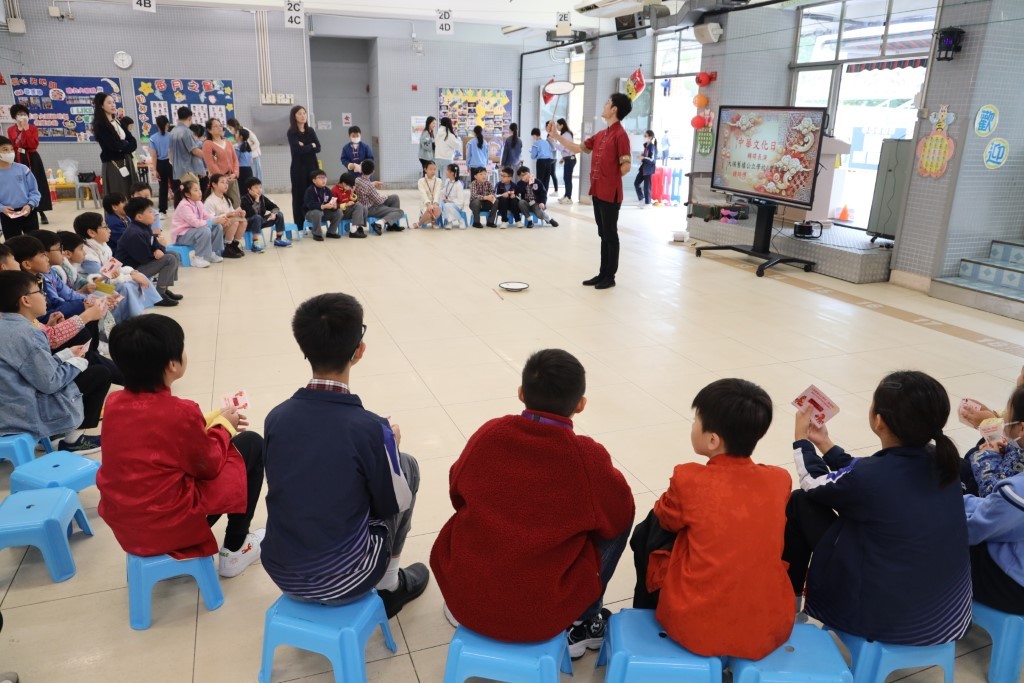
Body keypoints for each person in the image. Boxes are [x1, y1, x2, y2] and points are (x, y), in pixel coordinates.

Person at [431, 349, 633, 654]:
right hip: (543, 616)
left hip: (462, 598)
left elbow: (455, 490)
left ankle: (477, 601)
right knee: (616, 518)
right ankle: (582, 621)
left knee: (472, 511)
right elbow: (619, 514)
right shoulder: (587, 458)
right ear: (581, 404)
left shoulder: (491, 433)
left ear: (521, 393)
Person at [262, 292, 429, 617]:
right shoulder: (371, 429)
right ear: (359, 351)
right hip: (347, 580)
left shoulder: (276, 417)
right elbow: (394, 504)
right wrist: (390, 450)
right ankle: (390, 586)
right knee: (406, 466)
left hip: (282, 571)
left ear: (303, 348)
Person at [783, 370, 972, 645]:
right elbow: (863, 474)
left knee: (801, 501)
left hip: (889, 621)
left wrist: (801, 440)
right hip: (947, 618)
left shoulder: (872, 476)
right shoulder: (945, 460)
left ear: (879, 420)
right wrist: (825, 444)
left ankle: (790, 605)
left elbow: (813, 483)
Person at [630, 378, 793, 659]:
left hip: (696, 628)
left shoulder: (689, 478)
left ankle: (644, 608)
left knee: (648, 527)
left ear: (713, 439)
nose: (693, 425)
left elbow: (666, 520)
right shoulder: (779, 479)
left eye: (695, 420)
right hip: (767, 627)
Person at [98, 314, 266, 578]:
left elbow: (158, 438)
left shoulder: (114, 402)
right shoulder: (180, 412)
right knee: (252, 444)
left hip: (125, 523)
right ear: (172, 364)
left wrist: (212, 419)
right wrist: (225, 427)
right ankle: (236, 546)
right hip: (170, 525)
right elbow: (209, 465)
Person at [0, 270, 110, 454]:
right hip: (22, 414)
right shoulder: (26, 333)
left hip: (9, 405)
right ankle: (73, 441)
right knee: (99, 374)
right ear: (25, 300)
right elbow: (50, 383)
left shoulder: (8, 324)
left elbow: (31, 366)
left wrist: (66, 355)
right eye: (39, 291)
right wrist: (77, 362)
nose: (44, 296)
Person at [548, 93, 633, 290]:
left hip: (610, 193)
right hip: (597, 191)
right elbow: (576, 148)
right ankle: (602, 273)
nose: (604, 105)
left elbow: (626, 166)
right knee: (603, 234)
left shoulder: (621, 135)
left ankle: (610, 276)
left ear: (614, 109)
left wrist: (610, 178)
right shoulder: (602, 134)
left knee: (610, 234)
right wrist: (556, 135)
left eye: (607, 103)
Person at [965, 385, 1024, 614]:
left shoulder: (1016, 491)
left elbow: (973, 530)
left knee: (942, 544)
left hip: (1014, 587)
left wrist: (943, 506)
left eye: (1006, 417)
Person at [71, 212, 163, 321]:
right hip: (91, 287)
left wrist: (131, 272)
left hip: (104, 282)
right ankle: (125, 319)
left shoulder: (103, 246)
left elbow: (114, 268)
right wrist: (129, 277)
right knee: (125, 286)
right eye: (105, 227)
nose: (109, 230)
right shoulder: (88, 255)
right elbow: (100, 279)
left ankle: (138, 313)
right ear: (91, 232)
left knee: (138, 276)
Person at [115, 197, 182, 307]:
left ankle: (164, 289)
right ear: (139, 217)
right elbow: (145, 258)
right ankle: (159, 295)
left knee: (174, 254)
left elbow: (154, 243)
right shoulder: (134, 233)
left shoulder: (144, 227)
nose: (154, 214)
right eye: (150, 212)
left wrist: (159, 248)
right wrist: (161, 248)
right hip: (132, 271)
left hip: (140, 264)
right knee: (169, 259)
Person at [6, 104, 52, 224]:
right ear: (14, 117)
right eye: (19, 114)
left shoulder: (32, 128)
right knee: (20, 183)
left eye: (24, 114)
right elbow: (14, 145)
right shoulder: (11, 130)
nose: (22, 116)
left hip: (32, 157)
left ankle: (41, 211)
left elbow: (32, 144)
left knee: (36, 182)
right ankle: (22, 208)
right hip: (17, 157)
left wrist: (26, 130)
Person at [92, 92, 138, 196]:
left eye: (113, 102)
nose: (113, 105)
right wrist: (125, 144)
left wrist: (122, 145)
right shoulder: (100, 125)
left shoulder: (118, 122)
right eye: (109, 103)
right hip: (113, 164)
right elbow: (113, 146)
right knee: (118, 195)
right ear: (101, 105)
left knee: (131, 193)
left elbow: (133, 142)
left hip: (127, 160)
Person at [171, 180, 225, 268]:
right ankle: (198, 258)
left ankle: (211, 253)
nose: (200, 192)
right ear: (187, 194)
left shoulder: (198, 202)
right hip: (181, 236)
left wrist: (218, 219)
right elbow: (195, 223)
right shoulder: (184, 206)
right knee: (204, 230)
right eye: (196, 190)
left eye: (199, 189)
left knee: (217, 226)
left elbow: (206, 216)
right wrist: (212, 221)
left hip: (193, 232)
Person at [0, 135, 41, 239]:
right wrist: (2, 208)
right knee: (13, 244)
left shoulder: (23, 169)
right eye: (5, 150)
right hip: (7, 214)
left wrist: (30, 205)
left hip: (28, 211)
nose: (10, 153)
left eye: (11, 149)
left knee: (34, 242)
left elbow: (35, 192)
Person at [287, 105, 321, 226]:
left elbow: (318, 148)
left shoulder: (310, 131)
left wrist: (305, 146)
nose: (303, 116)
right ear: (294, 116)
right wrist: (310, 145)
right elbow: (297, 150)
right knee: (299, 195)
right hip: (299, 168)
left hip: (313, 167)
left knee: (313, 194)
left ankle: (313, 222)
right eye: (299, 113)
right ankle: (300, 224)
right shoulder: (292, 132)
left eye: (304, 113)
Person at [354, 160, 404, 235]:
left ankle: (391, 225)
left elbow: (365, 186)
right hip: (371, 208)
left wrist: (373, 183)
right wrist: (386, 196)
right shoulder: (369, 186)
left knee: (394, 197)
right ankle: (379, 223)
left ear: (361, 170)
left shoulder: (357, 180)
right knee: (399, 212)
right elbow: (379, 201)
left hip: (365, 206)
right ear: (372, 172)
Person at [168, 107, 206, 205]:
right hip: (188, 169)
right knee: (195, 195)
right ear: (190, 118)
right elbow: (194, 150)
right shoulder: (186, 132)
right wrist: (209, 155)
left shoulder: (173, 131)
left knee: (185, 195)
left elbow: (170, 152)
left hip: (178, 169)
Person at [203, 174, 247, 258]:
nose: (226, 185)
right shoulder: (209, 201)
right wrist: (227, 215)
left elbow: (231, 212)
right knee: (235, 222)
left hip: (226, 223)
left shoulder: (227, 199)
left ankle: (234, 245)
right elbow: (209, 218)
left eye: (226, 182)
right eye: (222, 182)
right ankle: (227, 247)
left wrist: (239, 213)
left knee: (243, 221)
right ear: (214, 184)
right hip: (215, 227)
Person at [201, 118, 241, 209]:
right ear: (209, 130)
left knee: (236, 205)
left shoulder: (228, 142)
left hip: (231, 178)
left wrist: (235, 174)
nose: (219, 128)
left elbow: (235, 160)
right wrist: (222, 178)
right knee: (221, 206)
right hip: (218, 181)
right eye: (215, 126)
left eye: (220, 125)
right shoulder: (207, 144)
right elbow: (211, 164)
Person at [241, 177, 289, 250]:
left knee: (279, 214)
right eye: (256, 187)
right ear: (249, 189)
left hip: (261, 220)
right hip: (249, 223)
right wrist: (257, 199)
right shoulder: (244, 199)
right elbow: (251, 213)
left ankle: (278, 239)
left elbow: (275, 207)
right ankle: (255, 243)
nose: (259, 189)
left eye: (260, 187)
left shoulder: (262, 198)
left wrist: (273, 213)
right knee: (257, 217)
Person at [304, 169, 342, 241]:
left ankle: (331, 232)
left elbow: (331, 202)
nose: (323, 180)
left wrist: (334, 206)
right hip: (311, 214)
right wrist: (323, 206)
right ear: (314, 180)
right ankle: (317, 234)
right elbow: (310, 205)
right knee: (317, 212)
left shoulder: (327, 190)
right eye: (320, 178)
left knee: (339, 212)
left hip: (323, 212)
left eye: (324, 177)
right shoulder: (310, 190)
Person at [147, 115, 173, 214]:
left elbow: (154, 156)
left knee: (162, 187)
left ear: (157, 125)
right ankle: (179, 207)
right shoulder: (172, 136)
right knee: (176, 186)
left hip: (160, 164)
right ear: (168, 124)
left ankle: (162, 210)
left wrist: (154, 170)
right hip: (172, 163)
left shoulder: (153, 138)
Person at [330, 173, 367, 239]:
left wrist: (352, 193)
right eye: (350, 186)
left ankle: (359, 227)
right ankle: (353, 231)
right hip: (340, 213)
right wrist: (346, 204)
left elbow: (352, 200)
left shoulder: (348, 189)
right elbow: (332, 206)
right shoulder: (334, 190)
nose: (350, 187)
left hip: (348, 210)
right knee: (358, 206)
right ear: (344, 183)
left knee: (363, 207)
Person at [555, 119, 576, 204]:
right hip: (568, 158)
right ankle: (566, 195)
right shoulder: (565, 134)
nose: (557, 127)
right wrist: (563, 158)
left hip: (570, 159)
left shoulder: (566, 135)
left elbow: (561, 148)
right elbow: (566, 148)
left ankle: (569, 198)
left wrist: (553, 143)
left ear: (562, 125)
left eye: (557, 125)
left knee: (567, 178)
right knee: (566, 178)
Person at [415, 161, 442, 229]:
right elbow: (423, 194)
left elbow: (437, 193)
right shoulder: (421, 181)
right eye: (430, 169)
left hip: (436, 202)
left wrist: (435, 203)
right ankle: (431, 221)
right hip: (425, 203)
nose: (433, 171)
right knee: (428, 210)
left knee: (436, 209)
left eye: (434, 169)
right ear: (425, 170)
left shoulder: (439, 181)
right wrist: (428, 204)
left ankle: (419, 223)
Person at [634, 130, 657, 207]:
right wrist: (642, 156)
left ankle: (648, 203)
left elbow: (652, 160)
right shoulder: (646, 146)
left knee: (647, 187)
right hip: (643, 169)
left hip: (648, 170)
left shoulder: (652, 147)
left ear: (650, 137)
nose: (644, 137)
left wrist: (643, 158)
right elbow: (646, 156)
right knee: (636, 183)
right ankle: (641, 200)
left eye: (645, 136)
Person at [439, 163, 466, 229]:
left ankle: (458, 220)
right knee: (439, 203)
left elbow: (461, 200)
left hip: (456, 205)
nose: (446, 172)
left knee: (447, 205)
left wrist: (450, 201)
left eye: (447, 170)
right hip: (447, 202)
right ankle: (447, 222)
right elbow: (443, 192)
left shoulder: (458, 184)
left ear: (452, 173)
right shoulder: (447, 181)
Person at [529, 127, 555, 192]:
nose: (533, 138)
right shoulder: (546, 142)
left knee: (540, 179)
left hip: (541, 162)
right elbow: (550, 151)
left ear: (534, 135)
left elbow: (533, 156)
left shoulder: (536, 143)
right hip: (549, 161)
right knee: (547, 179)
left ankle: (540, 194)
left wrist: (531, 151)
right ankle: (545, 194)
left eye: (533, 136)